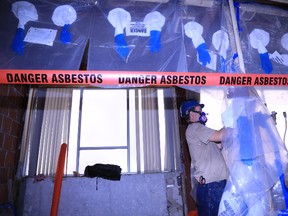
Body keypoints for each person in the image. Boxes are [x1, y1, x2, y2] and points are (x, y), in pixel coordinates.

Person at [180, 100, 229, 216]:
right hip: (211, 186)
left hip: (213, 185)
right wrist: (233, 122)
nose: (203, 113)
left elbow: (220, 142)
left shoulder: (199, 131)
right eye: (199, 111)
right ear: (190, 114)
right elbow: (219, 135)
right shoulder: (196, 128)